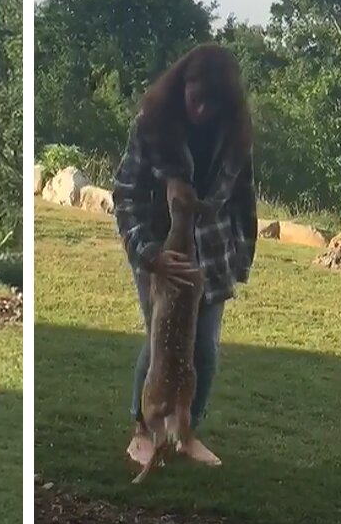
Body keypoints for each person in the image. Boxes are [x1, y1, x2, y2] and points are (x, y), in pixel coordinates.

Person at [111, 42, 258, 443]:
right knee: (162, 341)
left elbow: (243, 198)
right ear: (183, 86)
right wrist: (148, 253)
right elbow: (127, 192)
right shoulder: (153, 123)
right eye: (196, 100)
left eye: (212, 105)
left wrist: (241, 258)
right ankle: (143, 428)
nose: (202, 112)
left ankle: (185, 430)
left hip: (210, 250)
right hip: (158, 246)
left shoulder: (234, 134)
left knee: (204, 350)